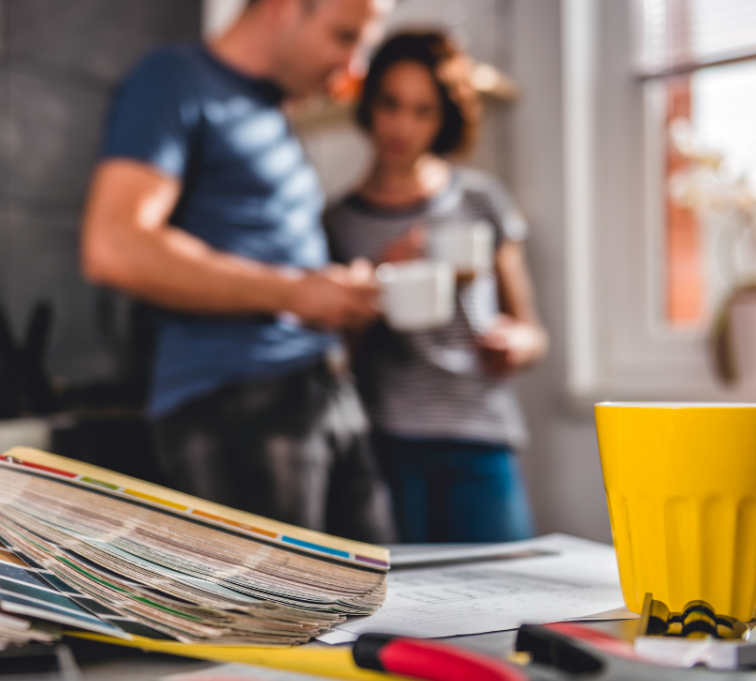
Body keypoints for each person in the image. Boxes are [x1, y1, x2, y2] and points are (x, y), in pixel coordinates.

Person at [80, 0, 395, 542]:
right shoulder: (173, 80)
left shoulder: (271, 112)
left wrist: (337, 294)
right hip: (238, 405)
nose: (353, 68)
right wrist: (297, 293)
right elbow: (114, 244)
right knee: (284, 622)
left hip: (323, 391)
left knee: (378, 603)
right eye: (343, 37)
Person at [324, 32, 546, 543]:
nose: (402, 126)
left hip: (482, 436)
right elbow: (335, 357)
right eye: (390, 104)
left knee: (503, 608)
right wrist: (376, 278)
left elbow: (533, 331)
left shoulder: (481, 200)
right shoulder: (340, 221)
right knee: (402, 611)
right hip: (388, 443)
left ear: (444, 118)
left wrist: (516, 343)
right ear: (369, 103)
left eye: (423, 111)